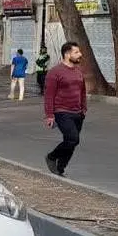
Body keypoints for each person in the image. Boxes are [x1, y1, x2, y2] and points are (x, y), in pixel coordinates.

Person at [44, 41, 87, 177]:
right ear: (67, 54)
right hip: (62, 111)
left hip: (78, 112)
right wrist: (49, 115)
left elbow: (82, 91)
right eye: (76, 52)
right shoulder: (55, 72)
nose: (80, 54)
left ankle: (60, 168)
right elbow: (49, 95)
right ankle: (51, 157)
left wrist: (84, 108)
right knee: (72, 138)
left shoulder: (78, 72)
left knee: (73, 141)